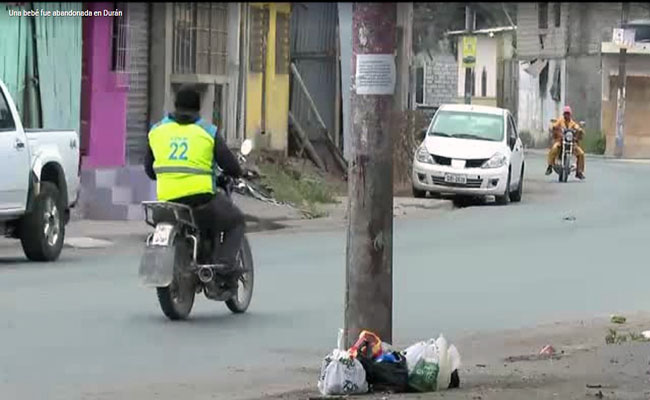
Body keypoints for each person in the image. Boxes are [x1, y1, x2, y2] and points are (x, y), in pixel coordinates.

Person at [144, 84, 245, 290]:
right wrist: (237, 172)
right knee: (236, 221)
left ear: (175, 105)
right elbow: (230, 166)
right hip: (202, 203)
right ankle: (223, 270)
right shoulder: (207, 132)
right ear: (199, 107)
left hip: (167, 203)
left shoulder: (157, 131)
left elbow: (149, 170)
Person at [546, 106, 586, 180]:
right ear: (563, 114)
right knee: (554, 148)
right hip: (560, 141)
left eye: (568, 114)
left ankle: (579, 172)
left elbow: (577, 127)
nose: (566, 115)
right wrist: (554, 127)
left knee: (581, 153)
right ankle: (550, 166)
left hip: (571, 142)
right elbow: (554, 125)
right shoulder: (560, 121)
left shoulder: (572, 123)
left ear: (570, 114)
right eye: (565, 113)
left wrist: (579, 129)